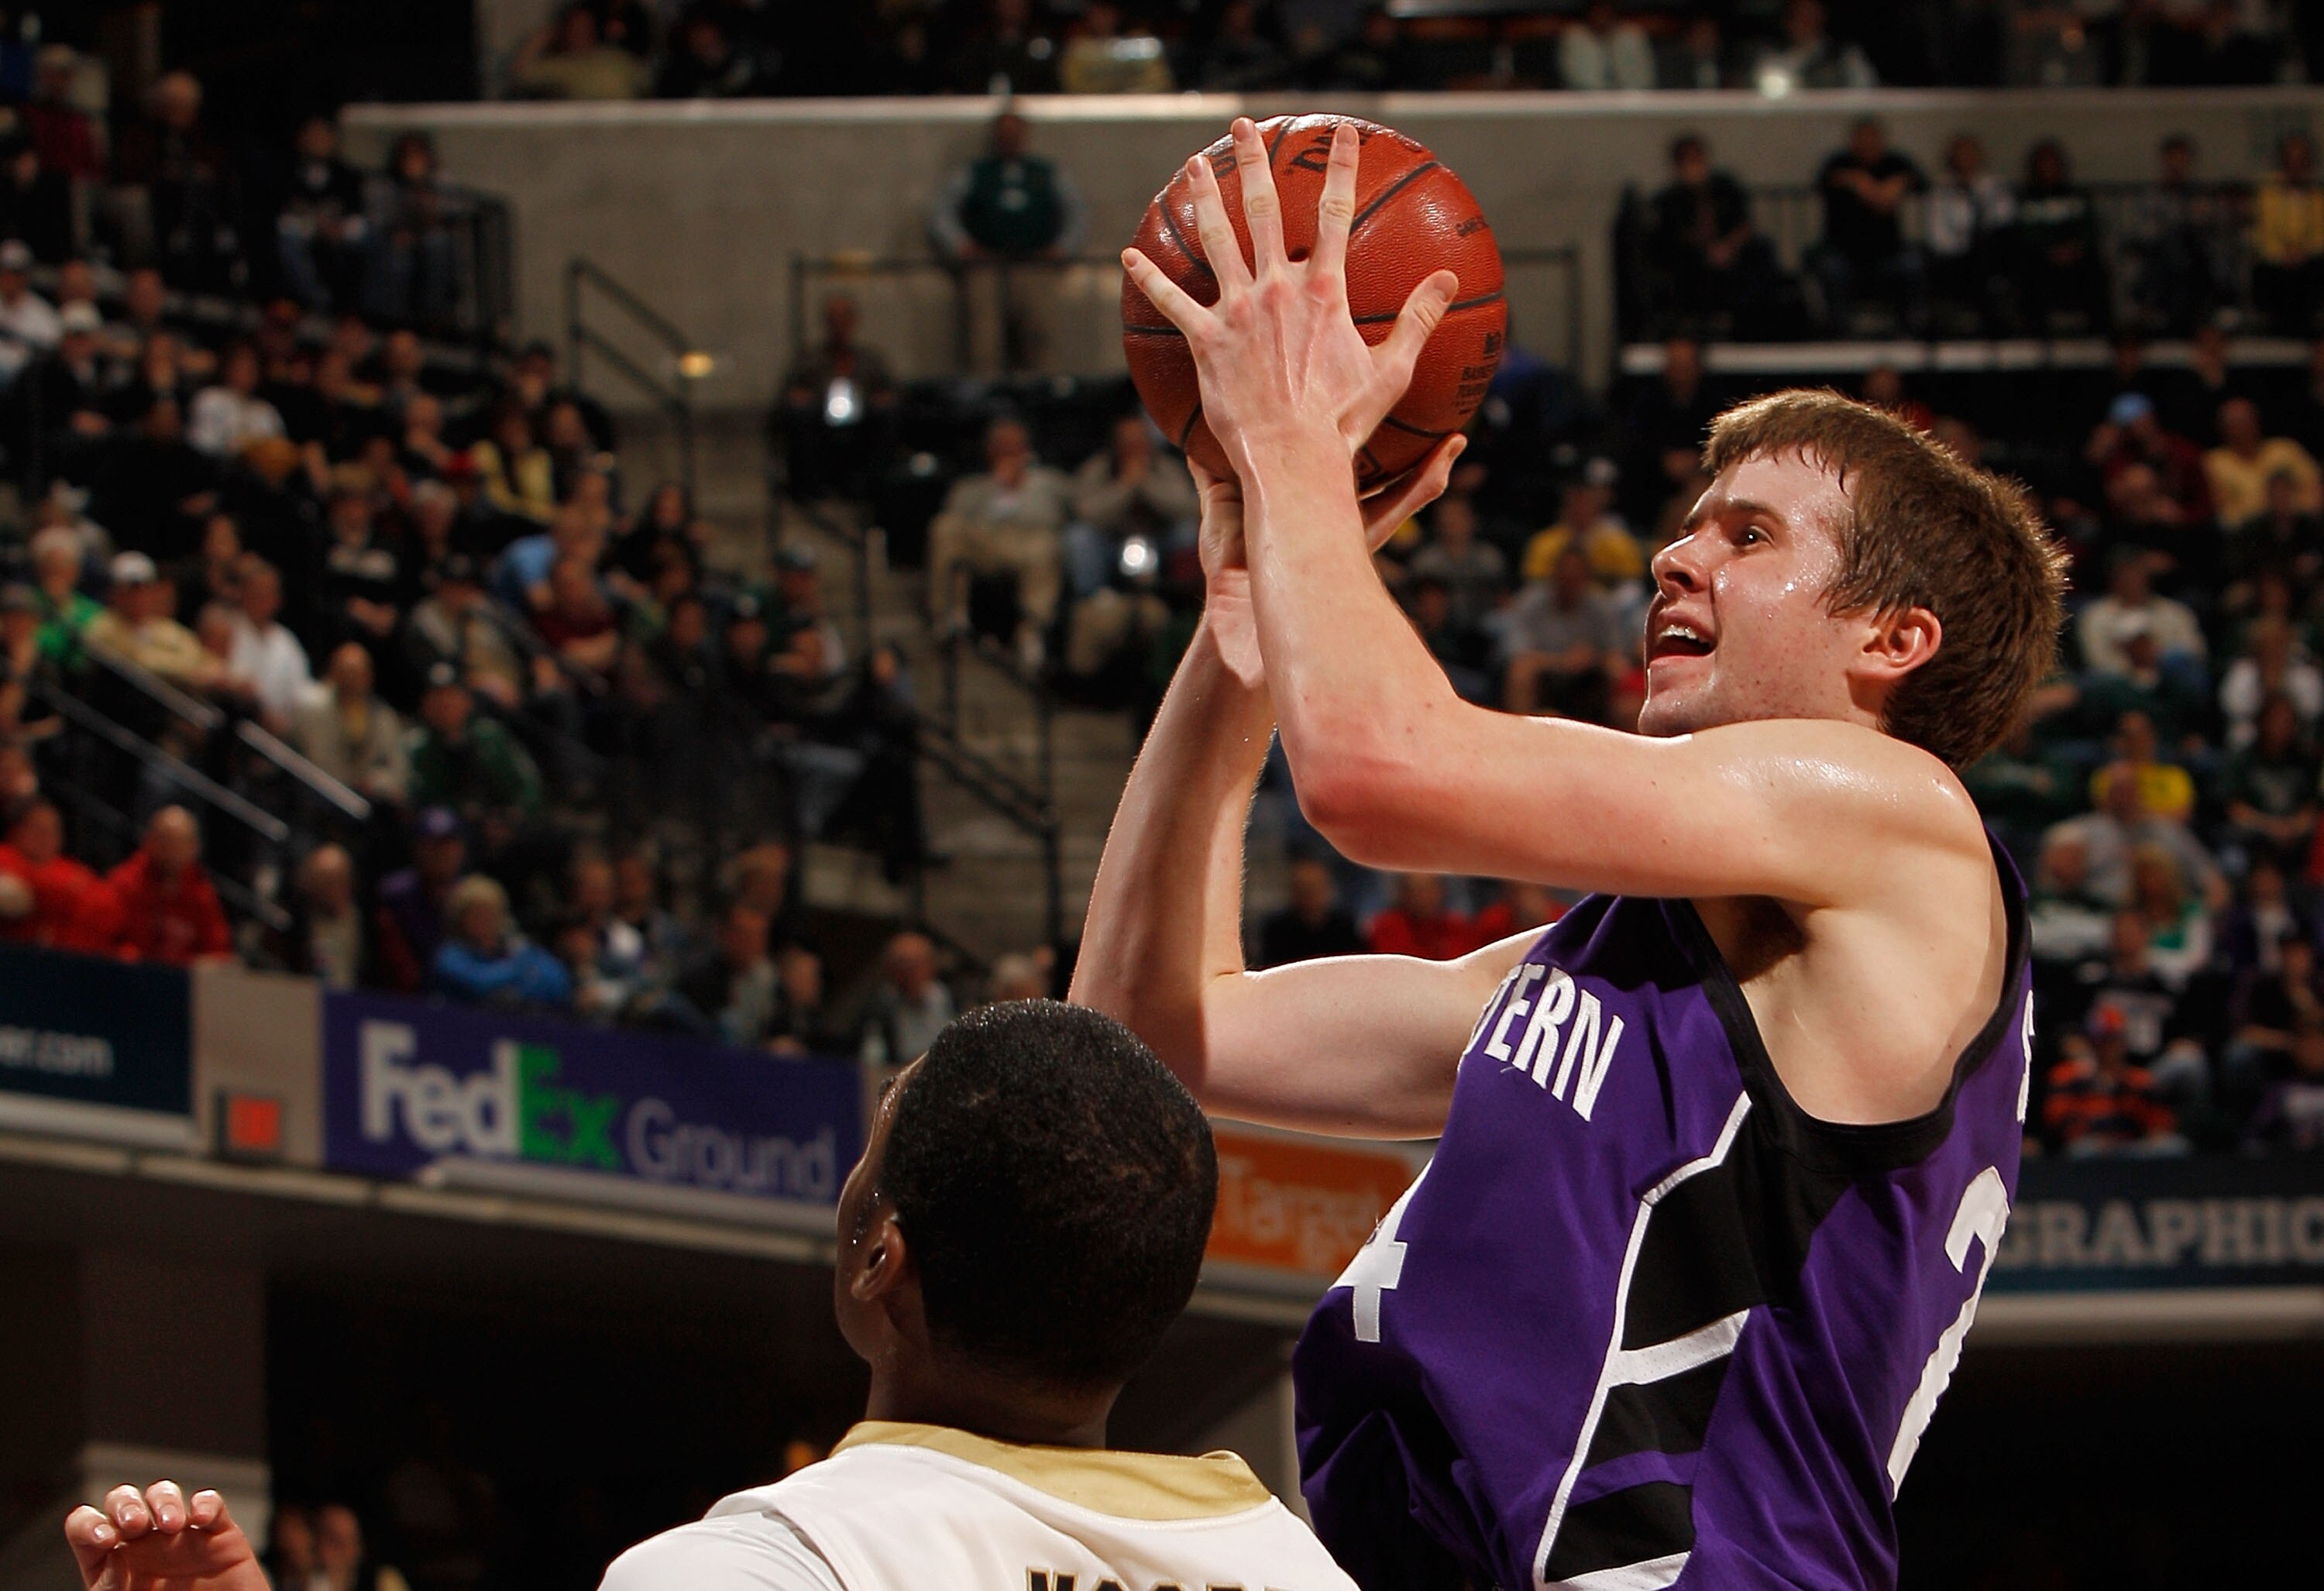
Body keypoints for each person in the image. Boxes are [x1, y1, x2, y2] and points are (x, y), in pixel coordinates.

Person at [1095, 119, 2064, 1591]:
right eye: (1688, 529)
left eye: (1748, 535)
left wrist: (1296, 444)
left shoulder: (1902, 817)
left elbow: (1374, 770)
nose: (1677, 559)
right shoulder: (1590, 978)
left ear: (1894, 639)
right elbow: (1150, 1026)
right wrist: (1243, 604)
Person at [928, 112, 1087, 374]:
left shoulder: (1046, 172)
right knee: (985, 339)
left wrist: (1064, 247)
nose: (1009, 138)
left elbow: (1077, 211)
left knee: (1038, 334)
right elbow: (941, 212)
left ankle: (1041, 394)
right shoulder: (974, 172)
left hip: (1033, 265)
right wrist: (960, 245)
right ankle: (987, 395)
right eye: (1004, 132)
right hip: (987, 265)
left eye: (1015, 132)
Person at [925, 417, 1072, 668]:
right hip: (986, 543)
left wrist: (1020, 485)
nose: (1009, 454)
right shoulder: (972, 487)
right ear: (989, 452)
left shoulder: (1048, 483)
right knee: (945, 527)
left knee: (1046, 547)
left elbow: (1056, 517)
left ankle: (1032, 633)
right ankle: (950, 618)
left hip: (1027, 544)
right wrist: (998, 486)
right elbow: (956, 513)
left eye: (1015, 447)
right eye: (1002, 448)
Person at [78, 806, 235, 966]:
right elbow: (97, 942)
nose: (172, 851)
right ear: (148, 841)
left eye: (179, 843)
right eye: (165, 840)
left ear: (194, 848)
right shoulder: (123, 884)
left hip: (182, 984)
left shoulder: (202, 894)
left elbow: (218, 951)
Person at [1812, 119, 1925, 333]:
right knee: (1830, 268)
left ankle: (1911, 328)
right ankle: (1838, 331)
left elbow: (1921, 181)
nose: (1867, 143)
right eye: (1862, 138)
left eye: (1872, 138)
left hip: (1889, 252)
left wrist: (1898, 183)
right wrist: (1857, 180)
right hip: (1844, 252)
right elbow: (1823, 181)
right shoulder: (1839, 162)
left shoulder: (1894, 163)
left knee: (1913, 265)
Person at [2252, 131, 2324, 337]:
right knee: (2267, 274)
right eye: (2291, 160)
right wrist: (2284, 254)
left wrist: (2303, 253)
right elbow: (2264, 233)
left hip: (2308, 263)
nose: (2296, 167)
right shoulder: (2268, 193)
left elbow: (2320, 234)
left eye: (2301, 161)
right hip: (2276, 264)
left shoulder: (2318, 196)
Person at [857, 930, 955, 1067]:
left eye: (916, 966)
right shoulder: (880, 1007)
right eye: (902, 966)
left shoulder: (947, 999)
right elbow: (872, 1057)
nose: (909, 974)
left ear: (931, 966)